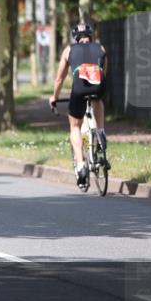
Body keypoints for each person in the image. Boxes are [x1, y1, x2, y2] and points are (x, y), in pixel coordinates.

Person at [49, 23, 108, 187]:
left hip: (79, 88)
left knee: (75, 126)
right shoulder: (100, 48)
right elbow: (104, 71)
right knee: (97, 100)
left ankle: (81, 166)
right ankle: (101, 132)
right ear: (91, 36)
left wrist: (54, 97)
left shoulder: (69, 50)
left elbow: (59, 79)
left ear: (75, 38)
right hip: (99, 84)